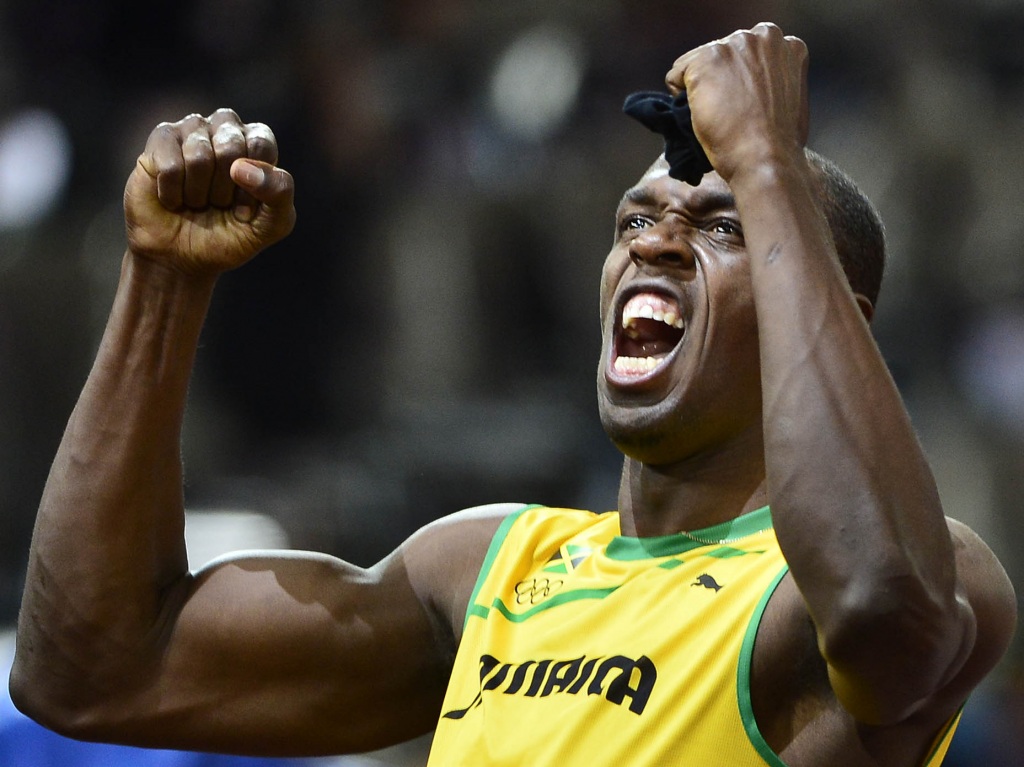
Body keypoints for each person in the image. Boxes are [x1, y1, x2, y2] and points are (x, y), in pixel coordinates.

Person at [9, 22, 1017, 767]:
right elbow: (91, 670)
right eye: (636, 221)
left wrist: (765, 162)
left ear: (834, 314)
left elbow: (882, 610)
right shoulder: (485, 567)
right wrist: (162, 281)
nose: (656, 243)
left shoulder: (923, 575)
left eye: (723, 227)